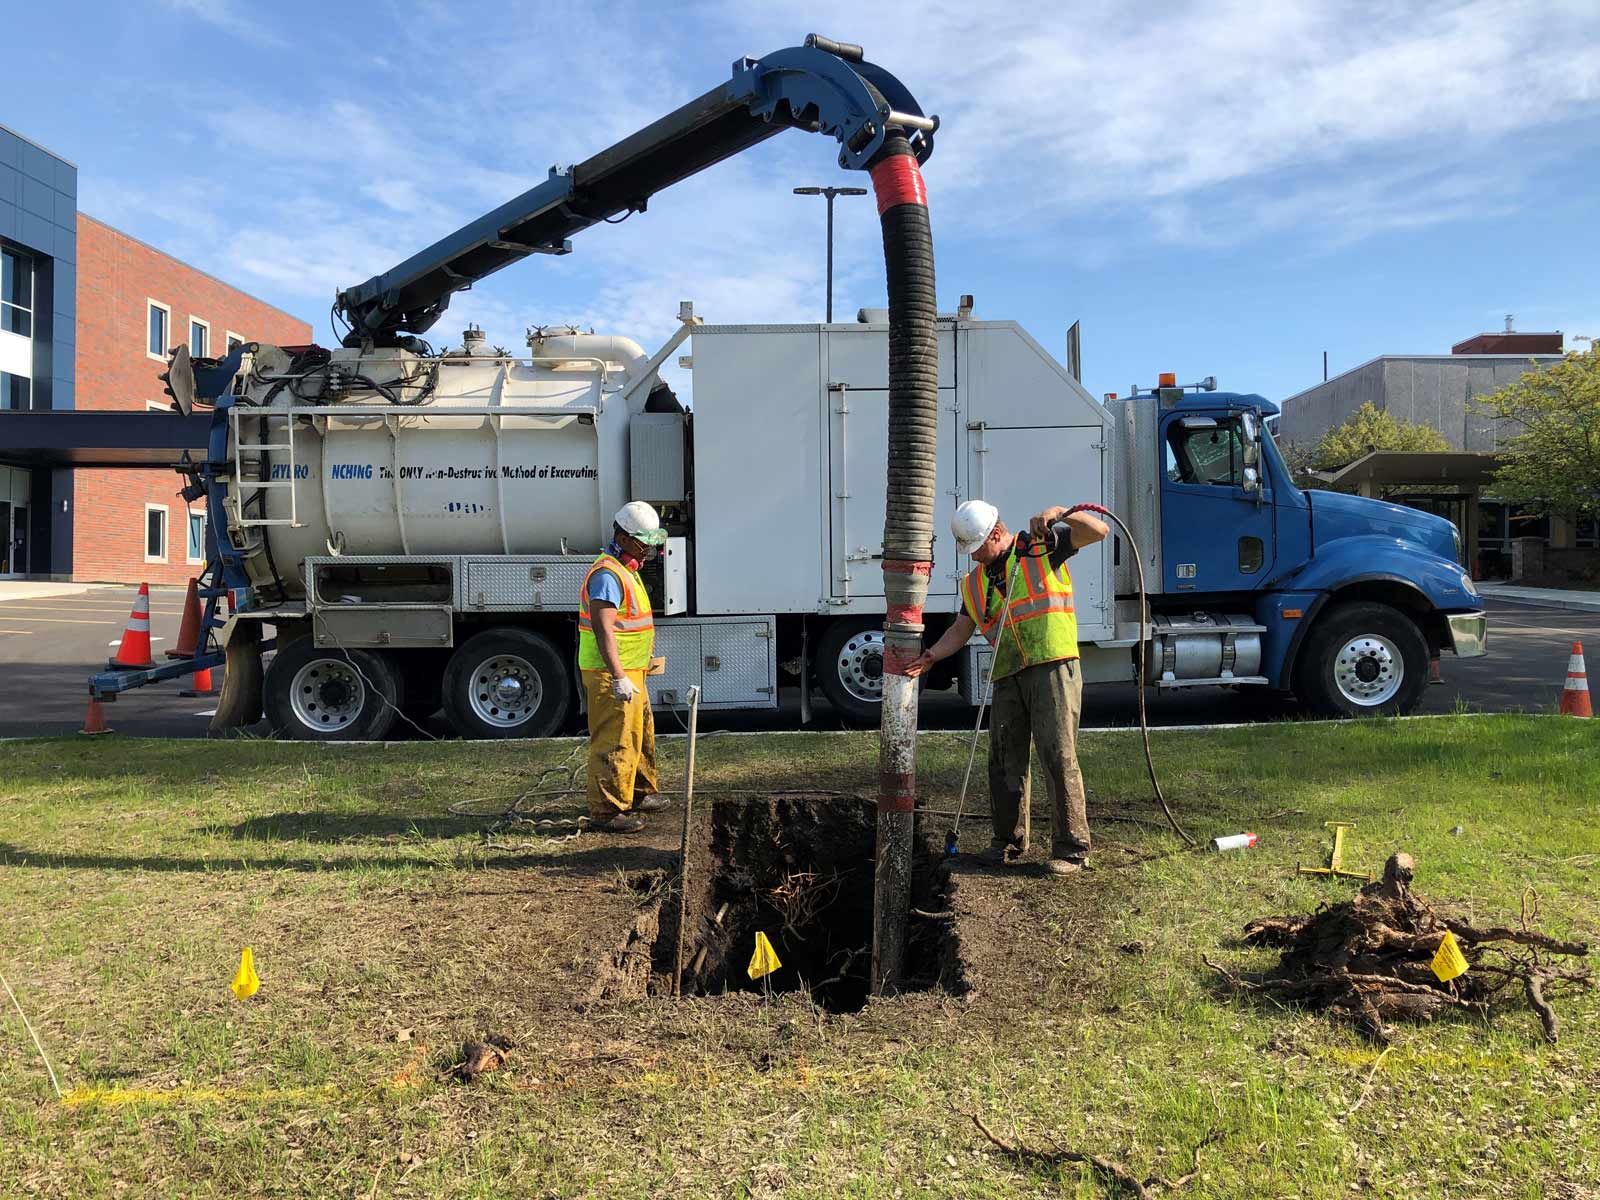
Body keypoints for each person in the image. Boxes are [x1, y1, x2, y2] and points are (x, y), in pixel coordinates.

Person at [906, 499, 1110, 874]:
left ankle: (1071, 849)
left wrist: (1059, 513)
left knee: (1057, 755)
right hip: (1007, 672)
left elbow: (1098, 531)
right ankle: (1007, 841)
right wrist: (932, 655)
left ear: (997, 533)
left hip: (1052, 663)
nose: (974, 557)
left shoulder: (1039, 546)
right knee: (1003, 760)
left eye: (977, 548)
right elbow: (960, 629)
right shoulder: (975, 582)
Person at [578, 501, 669, 834]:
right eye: (643, 542)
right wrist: (618, 675)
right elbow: (604, 629)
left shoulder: (627, 570)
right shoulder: (607, 575)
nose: (648, 549)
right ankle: (606, 811)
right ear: (624, 536)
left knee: (640, 734)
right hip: (611, 674)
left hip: (632, 672)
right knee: (615, 739)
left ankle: (640, 792)